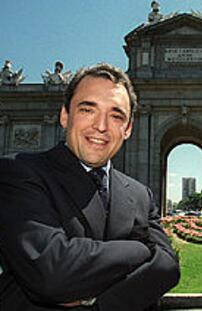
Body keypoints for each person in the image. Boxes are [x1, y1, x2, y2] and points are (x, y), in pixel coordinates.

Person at [0, 63, 180, 310]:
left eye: (116, 115)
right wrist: (140, 250)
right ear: (65, 115)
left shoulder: (141, 195)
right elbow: (52, 275)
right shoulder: (18, 172)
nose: (101, 126)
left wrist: (93, 301)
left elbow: (167, 268)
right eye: (88, 109)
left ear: (127, 128)